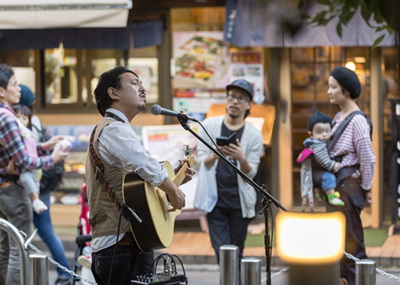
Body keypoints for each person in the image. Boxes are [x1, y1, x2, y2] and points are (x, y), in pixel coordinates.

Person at [86, 66, 194, 285]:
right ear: (113, 93)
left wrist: (177, 179)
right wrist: (172, 189)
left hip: (128, 246)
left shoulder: (116, 130)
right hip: (120, 248)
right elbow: (143, 163)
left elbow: (140, 186)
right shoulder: (113, 129)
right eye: (134, 83)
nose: (142, 88)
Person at [0, 64, 67, 285]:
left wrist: (42, 146)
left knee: (4, 249)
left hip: (3, 190)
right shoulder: (7, 118)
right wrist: (53, 158)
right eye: (14, 84)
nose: (18, 89)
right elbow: (24, 160)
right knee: (19, 249)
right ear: (2, 91)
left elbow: (15, 151)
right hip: (14, 191)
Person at [194, 79, 263, 263]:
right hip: (214, 201)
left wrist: (241, 158)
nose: (234, 102)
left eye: (241, 99)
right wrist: (213, 156)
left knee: (237, 254)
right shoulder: (208, 126)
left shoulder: (254, 135)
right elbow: (199, 161)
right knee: (224, 255)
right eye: (232, 96)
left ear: (249, 104)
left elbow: (252, 172)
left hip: (240, 204)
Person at [17, 84, 73, 285]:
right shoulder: (35, 119)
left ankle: (66, 274)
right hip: (41, 183)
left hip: (31, 184)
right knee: (46, 231)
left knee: (43, 231)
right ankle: (66, 273)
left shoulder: (20, 122)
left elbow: (26, 158)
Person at [326, 66, 375, 285]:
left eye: (333, 87)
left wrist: (365, 187)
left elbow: (368, 158)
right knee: (339, 246)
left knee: (353, 247)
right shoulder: (338, 117)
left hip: (348, 186)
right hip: (339, 186)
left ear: (346, 91)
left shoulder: (357, 120)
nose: (329, 91)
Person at [297, 107, 344, 210]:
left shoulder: (312, 143)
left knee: (321, 178)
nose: (324, 135)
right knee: (329, 177)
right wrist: (333, 165)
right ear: (311, 134)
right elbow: (322, 160)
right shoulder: (318, 145)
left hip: (313, 174)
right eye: (319, 132)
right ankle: (331, 197)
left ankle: (319, 194)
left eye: (327, 131)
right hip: (317, 175)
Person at [10, 104, 48, 214]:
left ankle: (36, 200)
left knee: (26, 178)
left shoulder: (28, 134)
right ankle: (35, 201)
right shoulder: (18, 135)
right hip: (28, 167)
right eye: (17, 117)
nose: (21, 120)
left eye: (24, 118)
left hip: (31, 166)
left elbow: (25, 150)